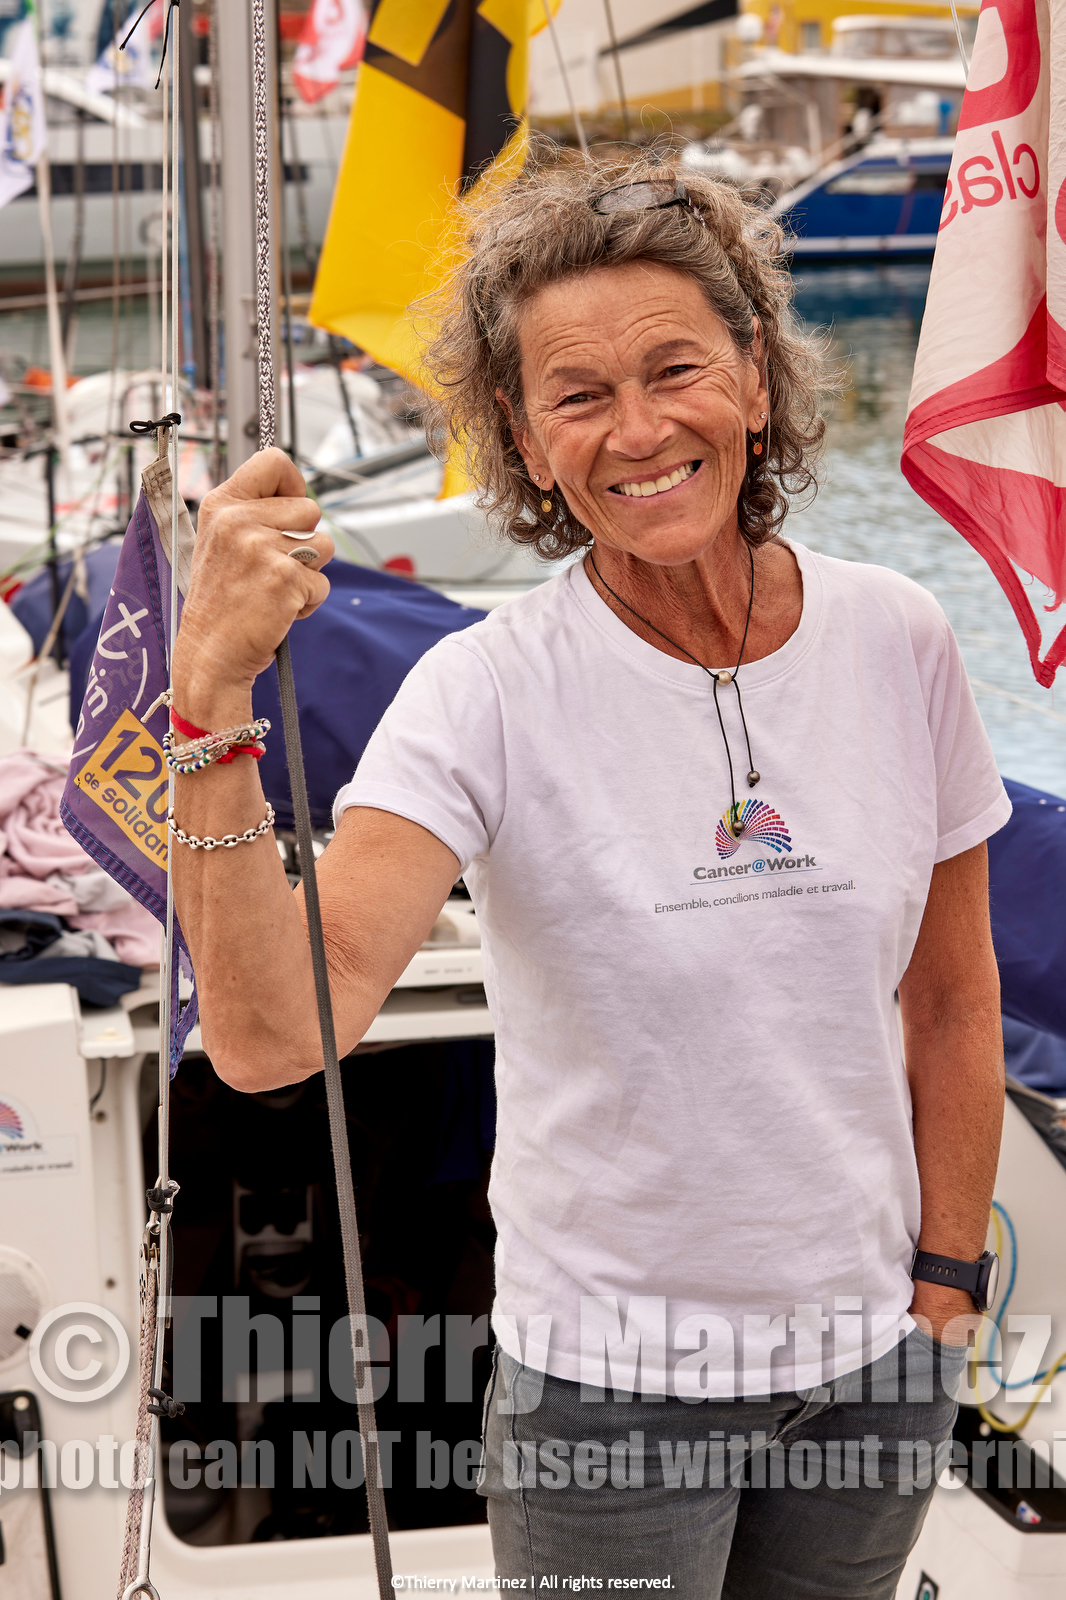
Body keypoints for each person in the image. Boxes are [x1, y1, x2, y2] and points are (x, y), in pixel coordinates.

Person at [171, 155, 1009, 1597]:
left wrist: (946, 1283)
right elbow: (266, 1038)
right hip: (612, 1402)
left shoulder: (897, 636)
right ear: (523, 435)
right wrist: (209, 699)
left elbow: (948, 996)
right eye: (576, 395)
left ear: (753, 376)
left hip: (875, 1369)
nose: (636, 429)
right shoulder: (482, 693)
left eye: (673, 367)